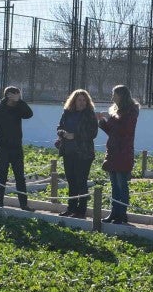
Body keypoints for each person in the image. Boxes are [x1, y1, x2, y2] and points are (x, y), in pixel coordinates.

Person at [0, 85, 34, 210]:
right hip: (3, 149)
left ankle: (24, 204)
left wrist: (20, 101)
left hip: (17, 148)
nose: (17, 98)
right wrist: (0, 137)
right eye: (15, 95)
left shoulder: (18, 109)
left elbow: (29, 114)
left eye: (18, 96)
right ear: (8, 96)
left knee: (20, 177)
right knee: (2, 176)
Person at [97, 84, 140, 224]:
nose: (112, 97)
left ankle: (122, 214)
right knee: (114, 185)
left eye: (114, 94)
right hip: (113, 152)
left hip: (123, 153)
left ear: (122, 95)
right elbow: (112, 131)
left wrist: (109, 118)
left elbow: (124, 129)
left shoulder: (131, 110)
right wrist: (101, 121)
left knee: (122, 185)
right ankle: (114, 213)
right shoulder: (116, 112)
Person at [56, 89, 97, 218]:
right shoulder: (67, 113)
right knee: (71, 181)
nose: (82, 102)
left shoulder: (90, 114)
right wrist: (63, 134)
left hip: (84, 153)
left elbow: (93, 133)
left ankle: (81, 210)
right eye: (79, 100)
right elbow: (59, 127)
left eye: (84, 100)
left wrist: (75, 136)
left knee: (81, 181)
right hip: (68, 151)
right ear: (74, 100)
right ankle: (71, 208)